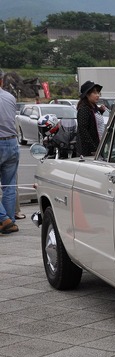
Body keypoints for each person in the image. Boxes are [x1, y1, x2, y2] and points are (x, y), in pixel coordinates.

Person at [0, 68, 19, 234]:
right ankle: (10, 221)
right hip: (12, 142)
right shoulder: (10, 97)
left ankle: (3, 218)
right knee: (9, 184)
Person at [76, 80, 106, 157]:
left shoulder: (94, 108)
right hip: (90, 152)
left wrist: (101, 111)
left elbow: (93, 121)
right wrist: (94, 149)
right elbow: (83, 130)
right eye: (94, 93)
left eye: (98, 93)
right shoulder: (84, 109)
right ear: (87, 94)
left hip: (98, 147)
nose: (98, 95)